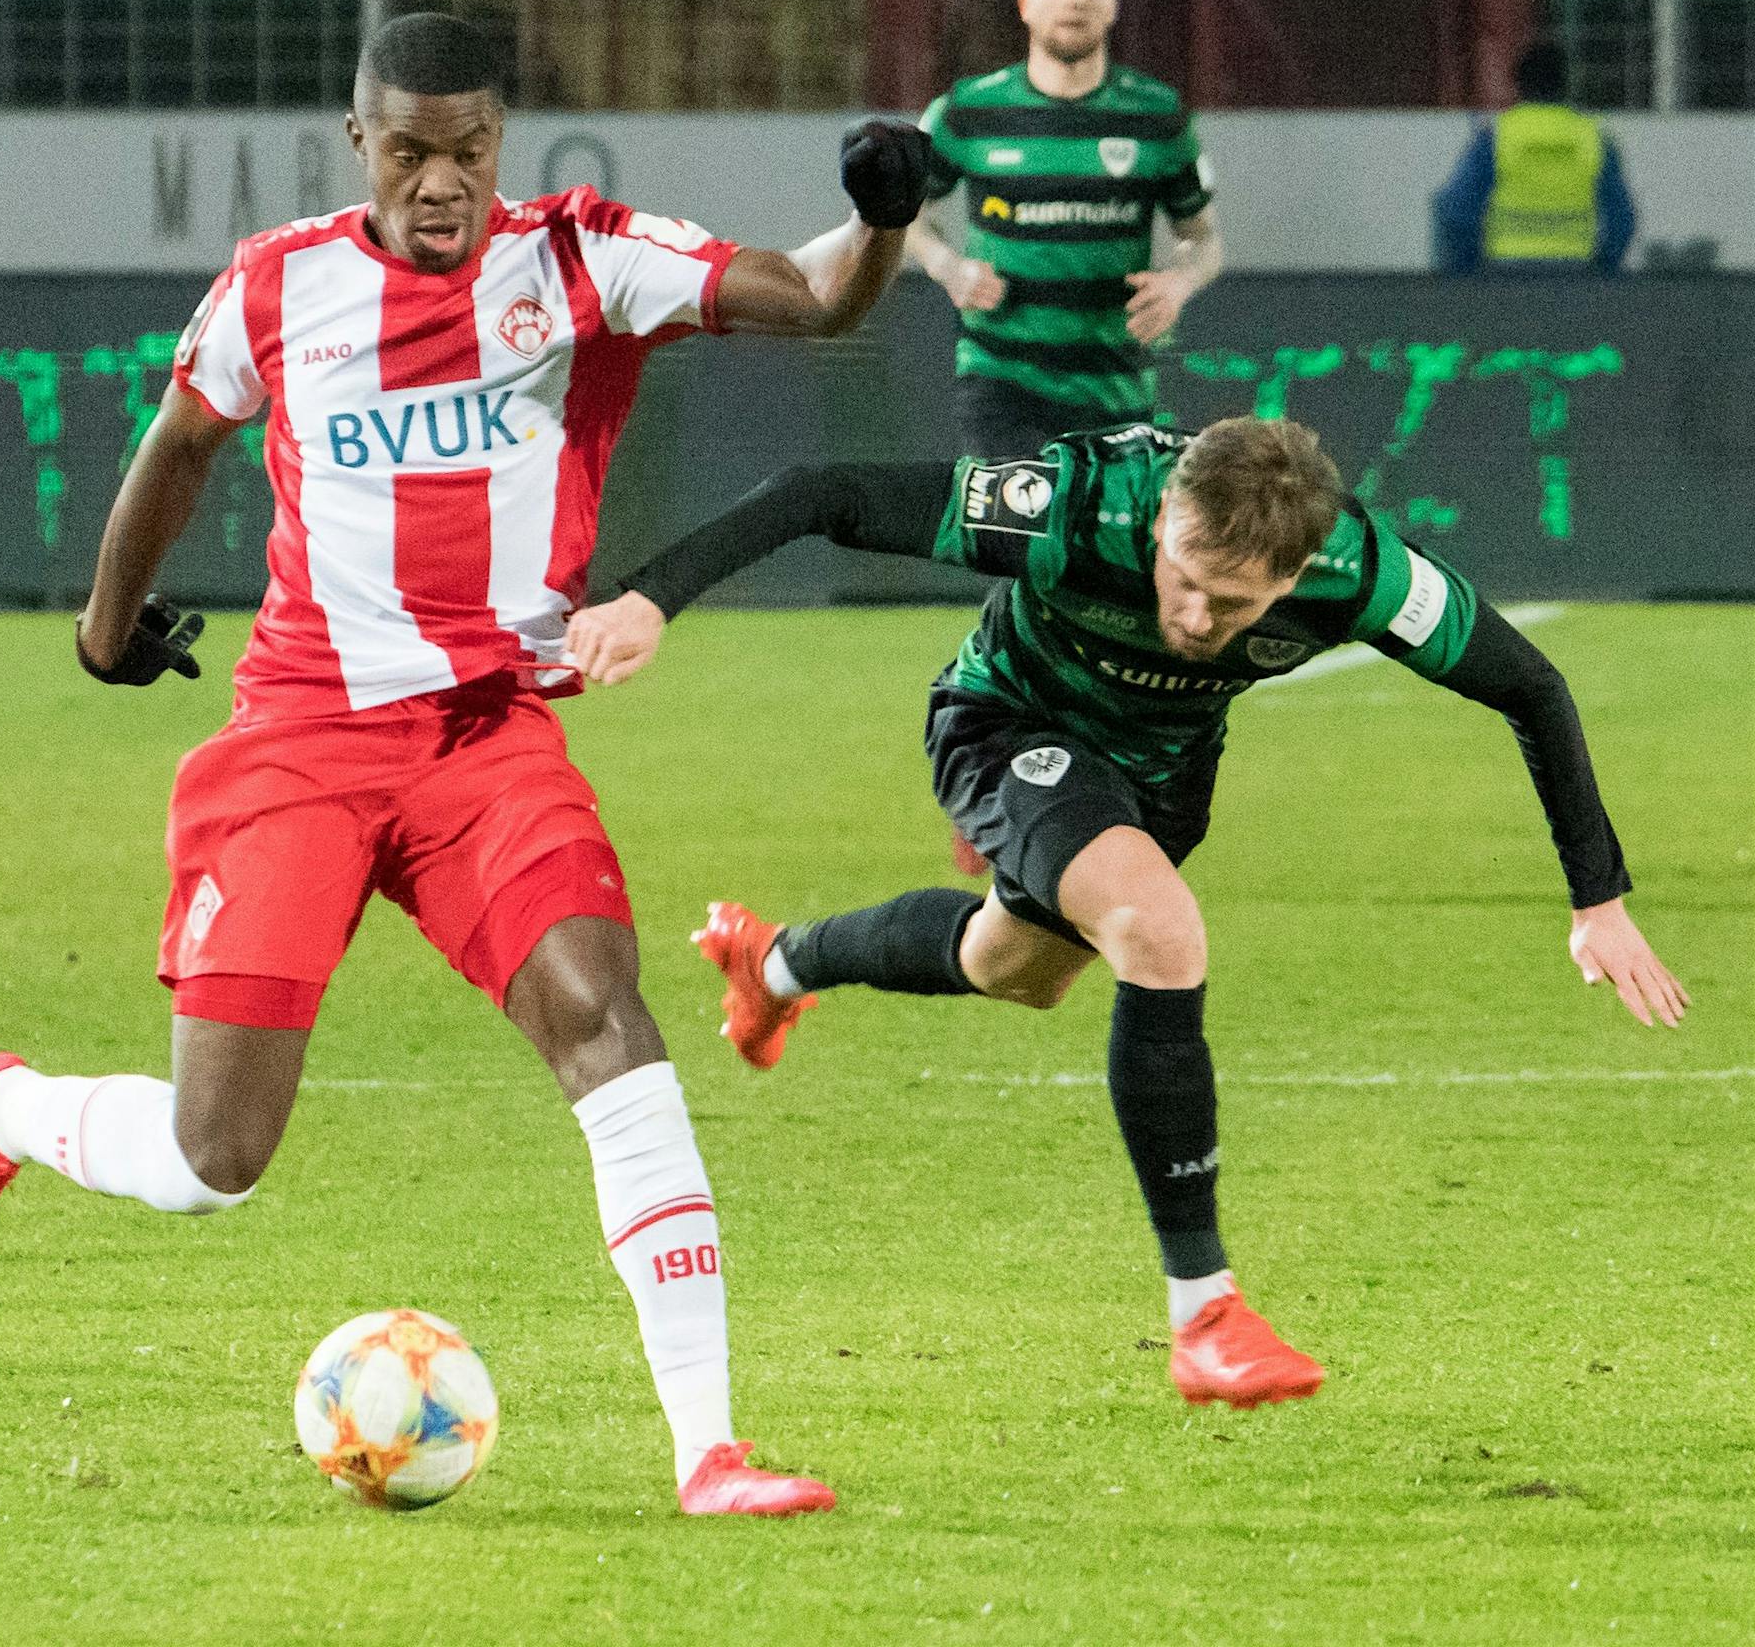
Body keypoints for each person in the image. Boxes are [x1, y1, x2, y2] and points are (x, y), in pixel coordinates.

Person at [0, 12, 932, 1518]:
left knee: (605, 1016)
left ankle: (708, 1449)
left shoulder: (579, 260)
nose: (444, 180)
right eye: (414, 150)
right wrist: (104, 632)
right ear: (359, 141)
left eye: (473, 148)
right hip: (302, 739)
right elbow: (178, 447)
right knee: (215, 1157)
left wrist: (884, 219)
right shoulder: (279, 282)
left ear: (502, 139)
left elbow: (820, 296)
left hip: (486, 741)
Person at [558, 416, 1689, 1409]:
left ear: (1291, 580)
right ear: (1165, 521)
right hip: (1005, 725)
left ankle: (777, 963)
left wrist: (1598, 898)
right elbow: (824, 490)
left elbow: (1529, 687)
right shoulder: (1079, 504)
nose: (1193, 613)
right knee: (1159, 929)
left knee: (1014, 966)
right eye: (1181, 572)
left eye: (1231, 601)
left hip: (1158, 776)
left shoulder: (1364, 572)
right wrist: (651, 593)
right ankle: (1204, 1313)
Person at [907, 0, 1225, 462]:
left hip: (1117, 393)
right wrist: (947, 266)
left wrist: (1179, 283)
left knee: (1100, 550)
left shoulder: (1158, 118)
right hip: (1002, 383)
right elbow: (902, 214)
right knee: (1017, 537)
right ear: (1026, 5)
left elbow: (1205, 240)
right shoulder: (966, 112)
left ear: (1113, 6)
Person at [1434, 41, 1637, 276]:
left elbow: (1457, 211)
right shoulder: (1594, 138)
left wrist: (1470, 269)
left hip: (1507, 274)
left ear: (1518, 85)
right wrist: (1603, 269)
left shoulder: (1497, 137)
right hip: (1576, 275)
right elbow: (1622, 219)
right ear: (1565, 84)